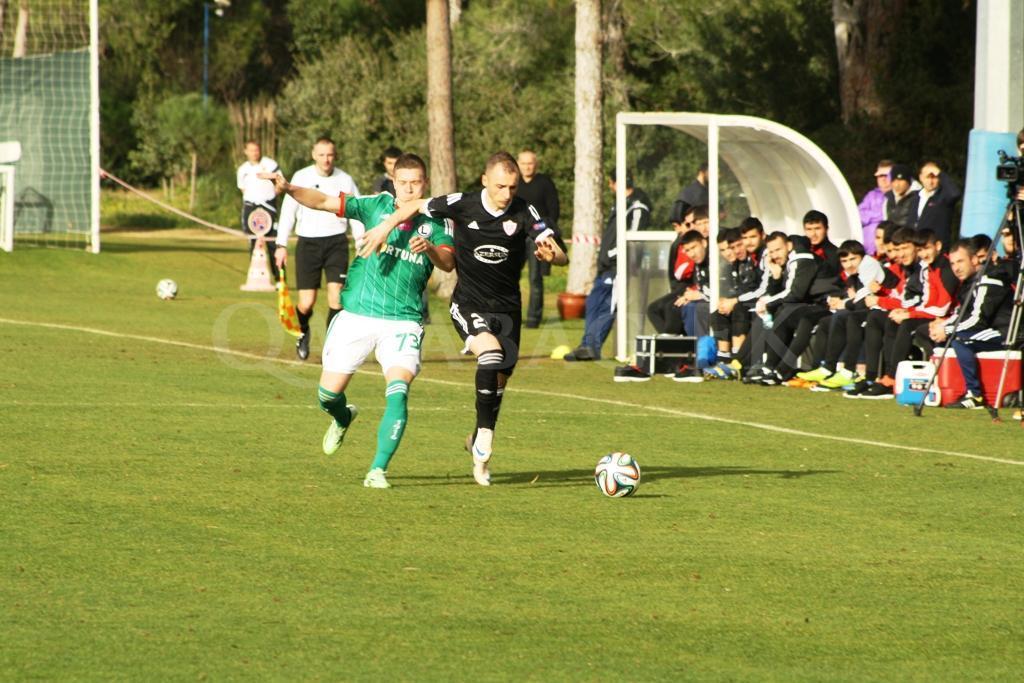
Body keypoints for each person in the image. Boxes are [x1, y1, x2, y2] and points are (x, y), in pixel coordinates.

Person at [357, 151, 568, 486]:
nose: (507, 194)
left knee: (498, 382)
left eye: (512, 187)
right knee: (490, 355)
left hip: (508, 309)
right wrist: (385, 226)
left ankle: (476, 441)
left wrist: (551, 254)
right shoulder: (462, 203)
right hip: (469, 304)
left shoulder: (524, 210)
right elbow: (416, 205)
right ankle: (485, 438)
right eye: (500, 186)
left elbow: (560, 254)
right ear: (485, 181)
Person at [270, 153, 455, 489]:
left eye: (415, 183)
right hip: (357, 314)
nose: (409, 189)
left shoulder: (438, 220)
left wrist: (429, 248)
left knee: (398, 392)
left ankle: (377, 470)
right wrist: (288, 188)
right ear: (393, 181)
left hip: (403, 320)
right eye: (403, 182)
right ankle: (343, 418)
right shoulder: (375, 206)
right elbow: (323, 201)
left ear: (425, 183)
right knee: (327, 396)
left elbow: (448, 262)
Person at [274, 137, 361, 360]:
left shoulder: (345, 180)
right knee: (306, 303)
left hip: (336, 243)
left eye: (330, 154)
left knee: (337, 298)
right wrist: (281, 245)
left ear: (335, 155)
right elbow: (288, 212)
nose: (326, 159)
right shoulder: (301, 177)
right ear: (314, 155)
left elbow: (357, 212)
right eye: (321, 155)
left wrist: (362, 243)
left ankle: (330, 346)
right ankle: (302, 331)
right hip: (308, 244)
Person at [564, 173, 652, 361]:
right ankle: (586, 344)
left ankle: (593, 347)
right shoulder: (620, 204)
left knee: (607, 306)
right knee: (593, 302)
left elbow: (633, 238)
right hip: (606, 265)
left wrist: (614, 254)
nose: (611, 188)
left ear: (616, 183)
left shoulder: (637, 206)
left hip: (618, 266)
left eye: (611, 184)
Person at [928, 239, 1013, 409]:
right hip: (987, 330)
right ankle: (945, 387)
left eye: (960, 261)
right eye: (952, 263)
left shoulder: (988, 280)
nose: (956, 268)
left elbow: (977, 320)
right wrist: (942, 326)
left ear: (974, 260)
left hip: (1006, 332)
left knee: (961, 339)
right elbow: (961, 313)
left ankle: (975, 395)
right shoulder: (970, 283)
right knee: (934, 334)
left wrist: (948, 329)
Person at [516, 149, 561, 328]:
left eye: (530, 163)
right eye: (523, 163)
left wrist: (546, 233)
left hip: (537, 238)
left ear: (536, 164)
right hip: (516, 237)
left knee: (535, 278)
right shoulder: (513, 183)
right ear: (518, 164)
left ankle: (533, 319)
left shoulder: (545, 183)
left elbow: (554, 210)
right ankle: (511, 315)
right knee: (511, 276)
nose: (527, 167)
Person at [236, 140, 282, 278]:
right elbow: (243, 189)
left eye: (256, 150)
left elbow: (280, 183)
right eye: (251, 150)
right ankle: (255, 277)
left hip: (268, 207)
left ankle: (280, 279)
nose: (254, 153)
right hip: (251, 209)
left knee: (273, 243)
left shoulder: (270, 164)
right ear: (246, 151)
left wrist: (271, 196)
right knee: (253, 242)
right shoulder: (242, 169)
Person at [915, 160, 962, 248]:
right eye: (928, 177)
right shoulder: (915, 197)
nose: (931, 181)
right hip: (917, 247)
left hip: (937, 247)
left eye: (934, 177)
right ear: (921, 177)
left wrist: (939, 172)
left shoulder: (944, 197)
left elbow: (955, 194)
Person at [858, 159, 893, 255]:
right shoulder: (871, 195)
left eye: (886, 176)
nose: (883, 179)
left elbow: (890, 216)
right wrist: (879, 215)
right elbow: (858, 215)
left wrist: (870, 216)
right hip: (866, 251)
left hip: (887, 252)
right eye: (880, 176)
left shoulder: (898, 197)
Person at [670, 162, 709, 228]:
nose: (718, 176)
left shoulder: (707, 191)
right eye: (715, 172)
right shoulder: (691, 193)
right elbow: (676, 218)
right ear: (702, 172)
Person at [884, 164, 920, 229]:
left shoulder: (918, 197)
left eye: (901, 180)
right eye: (894, 181)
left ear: (908, 181)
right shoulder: (888, 198)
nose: (897, 185)